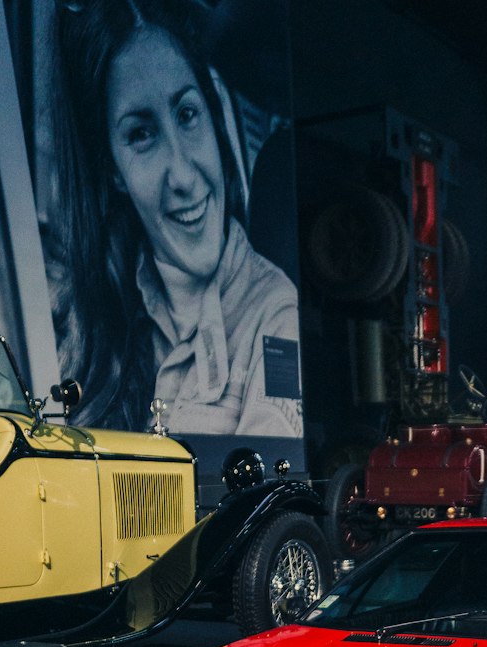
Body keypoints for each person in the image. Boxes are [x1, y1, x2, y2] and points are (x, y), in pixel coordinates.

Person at [50, 0, 302, 437]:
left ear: (214, 117)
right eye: (142, 134)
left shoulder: (276, 316)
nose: (183, 175)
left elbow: (268, 498)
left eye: (187, 114)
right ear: (114, 170)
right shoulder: (88, 320)